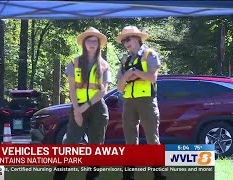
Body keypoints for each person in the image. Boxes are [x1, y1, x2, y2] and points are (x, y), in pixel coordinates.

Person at [53, 27, 111, 180]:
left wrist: (84, 107)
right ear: (84, 43)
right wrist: (78, 110)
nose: (92, 43)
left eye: (95, 41)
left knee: (96, 143)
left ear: (99, 44)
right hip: (78, 105)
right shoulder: (74, 63)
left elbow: (103, 90)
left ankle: (92, 176)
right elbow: (71, 89)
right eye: (89, 40)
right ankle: (59, 176)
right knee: (70, 140)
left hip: (98, 107)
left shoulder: (104, 65)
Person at [115, 26, 167, 180]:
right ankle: (128, 175)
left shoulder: (150, 54)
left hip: (147, 101)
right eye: (124, 40)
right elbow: (119, 86)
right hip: (129, 102)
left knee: (152, 138)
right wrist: (127, 77)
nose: (126, 43)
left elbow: (152, 78)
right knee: (130, 140)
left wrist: (134, 73)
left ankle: (159, 174)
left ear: (137, 38)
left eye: (128, 39)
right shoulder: (125, 60)